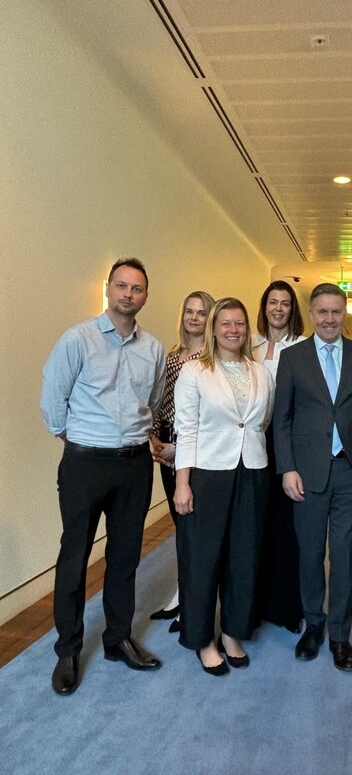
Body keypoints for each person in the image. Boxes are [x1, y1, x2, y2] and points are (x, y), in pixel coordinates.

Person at [40, 257, 166, 695]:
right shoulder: (77, 339)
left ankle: (117, 640)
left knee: (125, 557)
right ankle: (68, 650)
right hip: (84, 464)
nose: (128, 294)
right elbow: (53, 400)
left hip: (134, 465)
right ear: (108, 290)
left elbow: (150, 400)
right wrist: (81, 439)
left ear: (145, 296)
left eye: (137, 288)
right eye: (121, 286)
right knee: (74, 558)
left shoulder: (152, 349)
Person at [273, 283, 352, 671]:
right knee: (311, 553)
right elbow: (282, 420)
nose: (329, 319)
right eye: (322, 312)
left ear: (345, 313)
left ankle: (339, 635)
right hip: (306, 473)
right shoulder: (293, 358)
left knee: (346, 554)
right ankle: (313, 626)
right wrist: (287, 468)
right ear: (312, 313)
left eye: (336, 312)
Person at [173, 297, 274, 676]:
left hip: (252, 471)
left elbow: (261, 422)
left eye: (240, 324)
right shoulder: (195, 372)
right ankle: (202, 639)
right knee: (203, 559)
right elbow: (187, 430)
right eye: (226, 323)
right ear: (213, 328)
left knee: (244, 557)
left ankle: (233, 631)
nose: (233, 330)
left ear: (247, 330)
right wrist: (183, 483)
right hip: (208, 473)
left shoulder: (261, 373)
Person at [148, 290, 215, 631]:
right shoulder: (172, 356)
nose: (194, 317)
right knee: (181, 525)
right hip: (167, 447)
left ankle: (192, 599)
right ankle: (181, 592)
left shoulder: (212, 358)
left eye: (201, 312)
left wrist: (182, 448)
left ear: (210, 317)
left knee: (195, 528)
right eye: (189, 311)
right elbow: (160, 401)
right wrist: (156, 438)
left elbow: (213, 414)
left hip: (197, 448)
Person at [252, 281, 306, 632]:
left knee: (289, 529)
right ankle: (255, 606)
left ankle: (288, 608)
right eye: (273, 302)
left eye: (285, 303)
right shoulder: (249, 348)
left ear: (293, 310)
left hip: (287, 444)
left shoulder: (302, 348)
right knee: (256, 527)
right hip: (254, 445)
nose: (278, 308)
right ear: (264, 306)